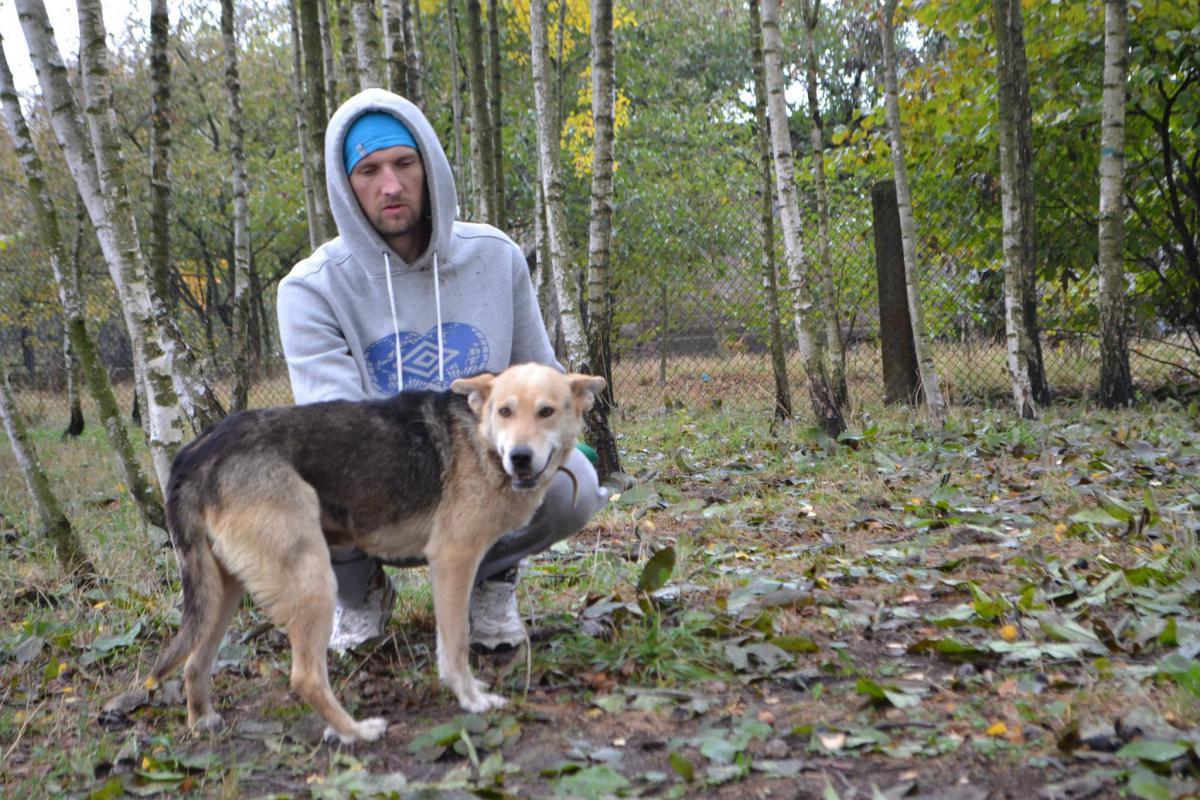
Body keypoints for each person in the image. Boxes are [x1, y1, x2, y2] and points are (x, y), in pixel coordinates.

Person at [277, 88, 608, 652]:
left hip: (483, 482)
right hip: (376, 490)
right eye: (369, 170)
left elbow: (543, 374)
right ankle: (358, 594)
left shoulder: (496, 257)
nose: (390, 185)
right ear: (344, 184)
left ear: (429, 166)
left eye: (404, 163)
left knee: (572, 485)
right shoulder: (310, 289)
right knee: (300, 485)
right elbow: (334, 428)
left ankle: (489, 581)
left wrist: (557, 440)